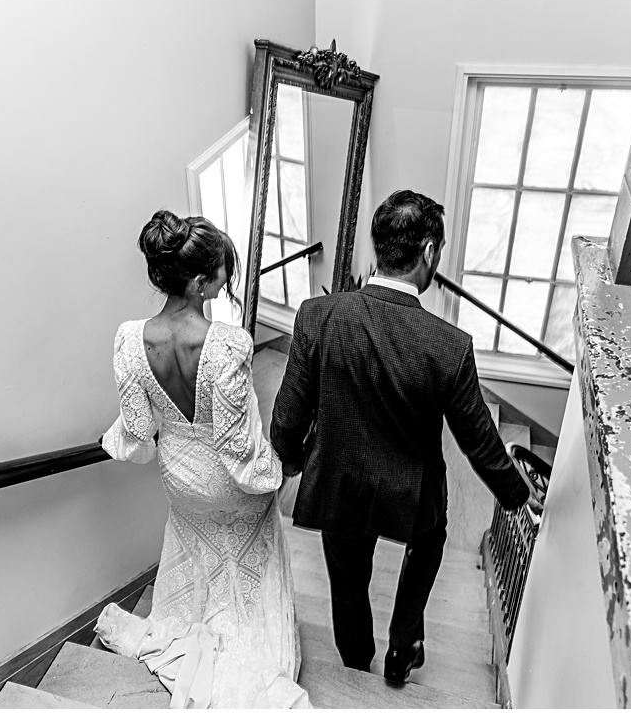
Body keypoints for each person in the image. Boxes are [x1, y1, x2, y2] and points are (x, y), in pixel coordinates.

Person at [268, 190, 539, 689]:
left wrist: (288, 459)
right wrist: (518, 497)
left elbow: (288, 416)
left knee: (347, 581)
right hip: (412, 496)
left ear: (378, 247)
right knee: (430, 539)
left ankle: (354, 661)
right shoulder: (449, 346)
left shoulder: (317, 316)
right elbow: (478, 441)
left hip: (341, 484)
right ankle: (403, 645)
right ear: (430, 253)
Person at [96, 212, 307, 708]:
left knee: (196, 550)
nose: (225, 279)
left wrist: (112, 440)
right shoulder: (229, 343)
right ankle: (245, 635)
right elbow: (239, 451)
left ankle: (194, 621)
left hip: (182, 484)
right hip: (229, 486)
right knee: (250, 548)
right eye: (220, 272)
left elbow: (139, 433)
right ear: (197, 283)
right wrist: (278, 471)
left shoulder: (129, 339)